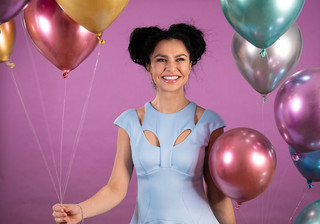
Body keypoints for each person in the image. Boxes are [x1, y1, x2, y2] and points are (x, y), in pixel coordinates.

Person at [52, 23, 236, 224]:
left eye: (180, 59)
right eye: (161, 60)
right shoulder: (130, 122)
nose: (171, 68)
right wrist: (80, 210)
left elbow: (218, 196)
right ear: (149, 67)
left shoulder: (209, 123)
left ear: (190, 65)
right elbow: (116, 188)